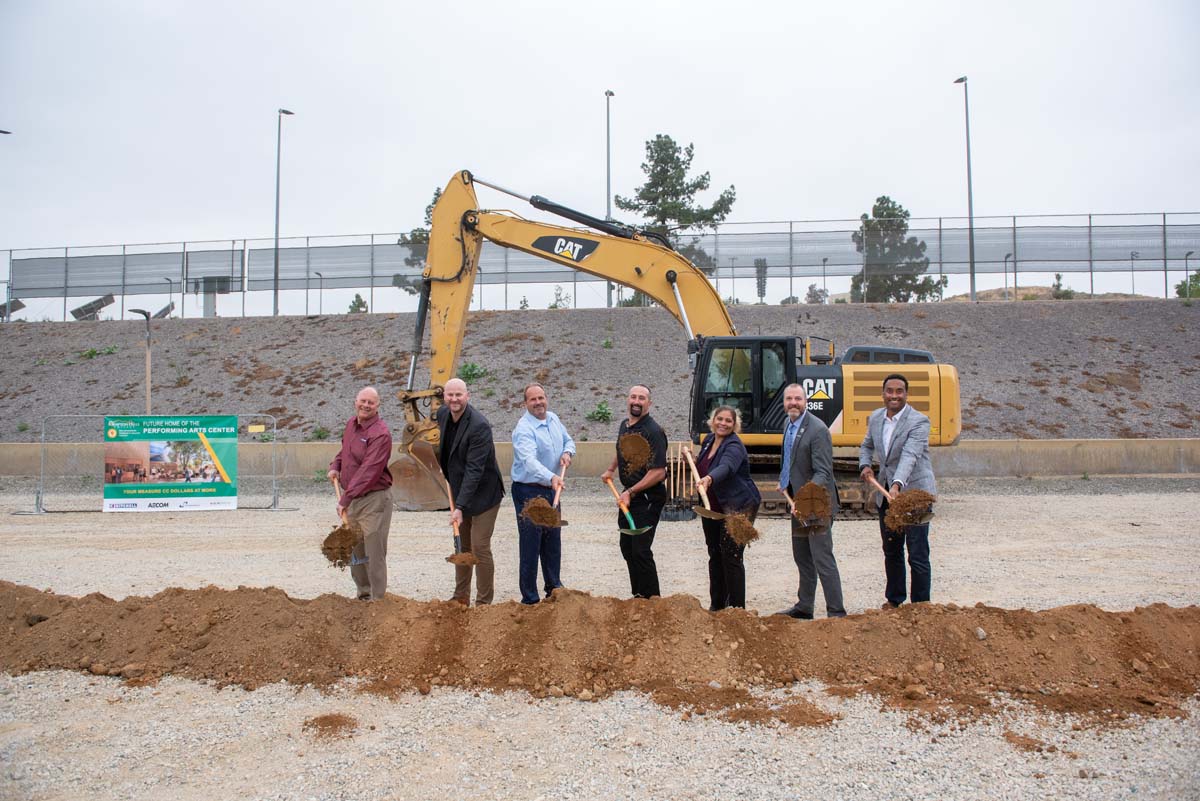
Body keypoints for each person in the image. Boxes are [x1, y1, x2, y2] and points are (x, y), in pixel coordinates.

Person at [859, 373, 938, 609]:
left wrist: (896, 485)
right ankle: (894, 601)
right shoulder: (875, 418)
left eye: (899, 391)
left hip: (914, 495)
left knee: (917, 553)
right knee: (891, 550)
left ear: (906, 394)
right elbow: (866, 445)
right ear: (883, 394)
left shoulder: (919, 421)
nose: (894, 395)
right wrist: (864, 464)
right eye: (890, 391)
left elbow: (910, 455)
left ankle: (921, 606)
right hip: (887, 496)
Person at [776, 383, 846, 619]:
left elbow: (823, 472)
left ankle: (836, 612)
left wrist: (804, 499)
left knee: (822, 557)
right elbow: (790, 458)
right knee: (802, 556)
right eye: (789, 399)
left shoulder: (817, 430)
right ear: (784, 402)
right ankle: (805, 606)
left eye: (797, 398)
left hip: (816, 505)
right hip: (798, 506)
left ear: (805, 401)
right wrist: (784, 480)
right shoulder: (788, 423)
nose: (793, 403)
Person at [436, 377, 505, 606]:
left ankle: (484, 603)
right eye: (450, 395)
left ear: (468, 396)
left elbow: (474, 471)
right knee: (461, 545)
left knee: (479, 546)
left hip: (485, 495)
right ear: (444, 397)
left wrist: (460, 507)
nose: (454, 399)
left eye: (458, 395)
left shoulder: (479, 426)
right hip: (461, 491)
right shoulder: (443, 415)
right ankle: (460, 597)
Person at [686, 405, 761, 611]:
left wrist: (710, 477)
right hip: (712, 507)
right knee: (715, 553)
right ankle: (717, 606)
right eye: (720, 419)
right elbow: (706, 465)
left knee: (731, 556)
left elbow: (726, 467)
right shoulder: (709, 440)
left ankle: (736, 610)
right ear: (713, 420)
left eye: (728, 421)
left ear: (734, 425)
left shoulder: (734, 446)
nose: (723, 424)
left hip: (739, 507)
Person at [510, 383, 575, 605]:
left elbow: (569, 440)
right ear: (525, 403)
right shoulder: (523, 429)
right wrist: (552, 477)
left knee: (552, 539)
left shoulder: (554, 419)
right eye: (533, 399)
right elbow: (529, 462)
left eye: (541, 398)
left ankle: (553, 587)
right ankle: (529, 597)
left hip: (551, 489)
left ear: (546, 398)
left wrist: (567, 452)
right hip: (529, 490)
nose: (538, 402)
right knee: (531, 543)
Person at [327, 386, 394, 601]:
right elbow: (345, 451)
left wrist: (345, 498)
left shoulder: (380, 434)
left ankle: (377, 600)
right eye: (362, 401)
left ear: (378, 406)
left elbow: (369, 470)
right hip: (354, 498)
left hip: (375, 500)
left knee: (374, 551)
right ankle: (363, 594)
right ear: (355, 401)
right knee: (356, 548)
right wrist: (335, 464)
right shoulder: (351, 425)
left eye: (371, 402)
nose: (366, 405)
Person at [601, 385, 667, 599]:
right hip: (629, 496)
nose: (637, 401)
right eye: (633, 397)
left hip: (648, 497)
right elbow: (621, 449)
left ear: (649, 403)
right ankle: (639, 596)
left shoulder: (653, 432)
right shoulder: (625, 425)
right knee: (627, 548)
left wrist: (631, 491)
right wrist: (611, 469)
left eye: (642, 398)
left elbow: (658, 472)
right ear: (627, 400)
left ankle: (653, 600)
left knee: (640, 549)